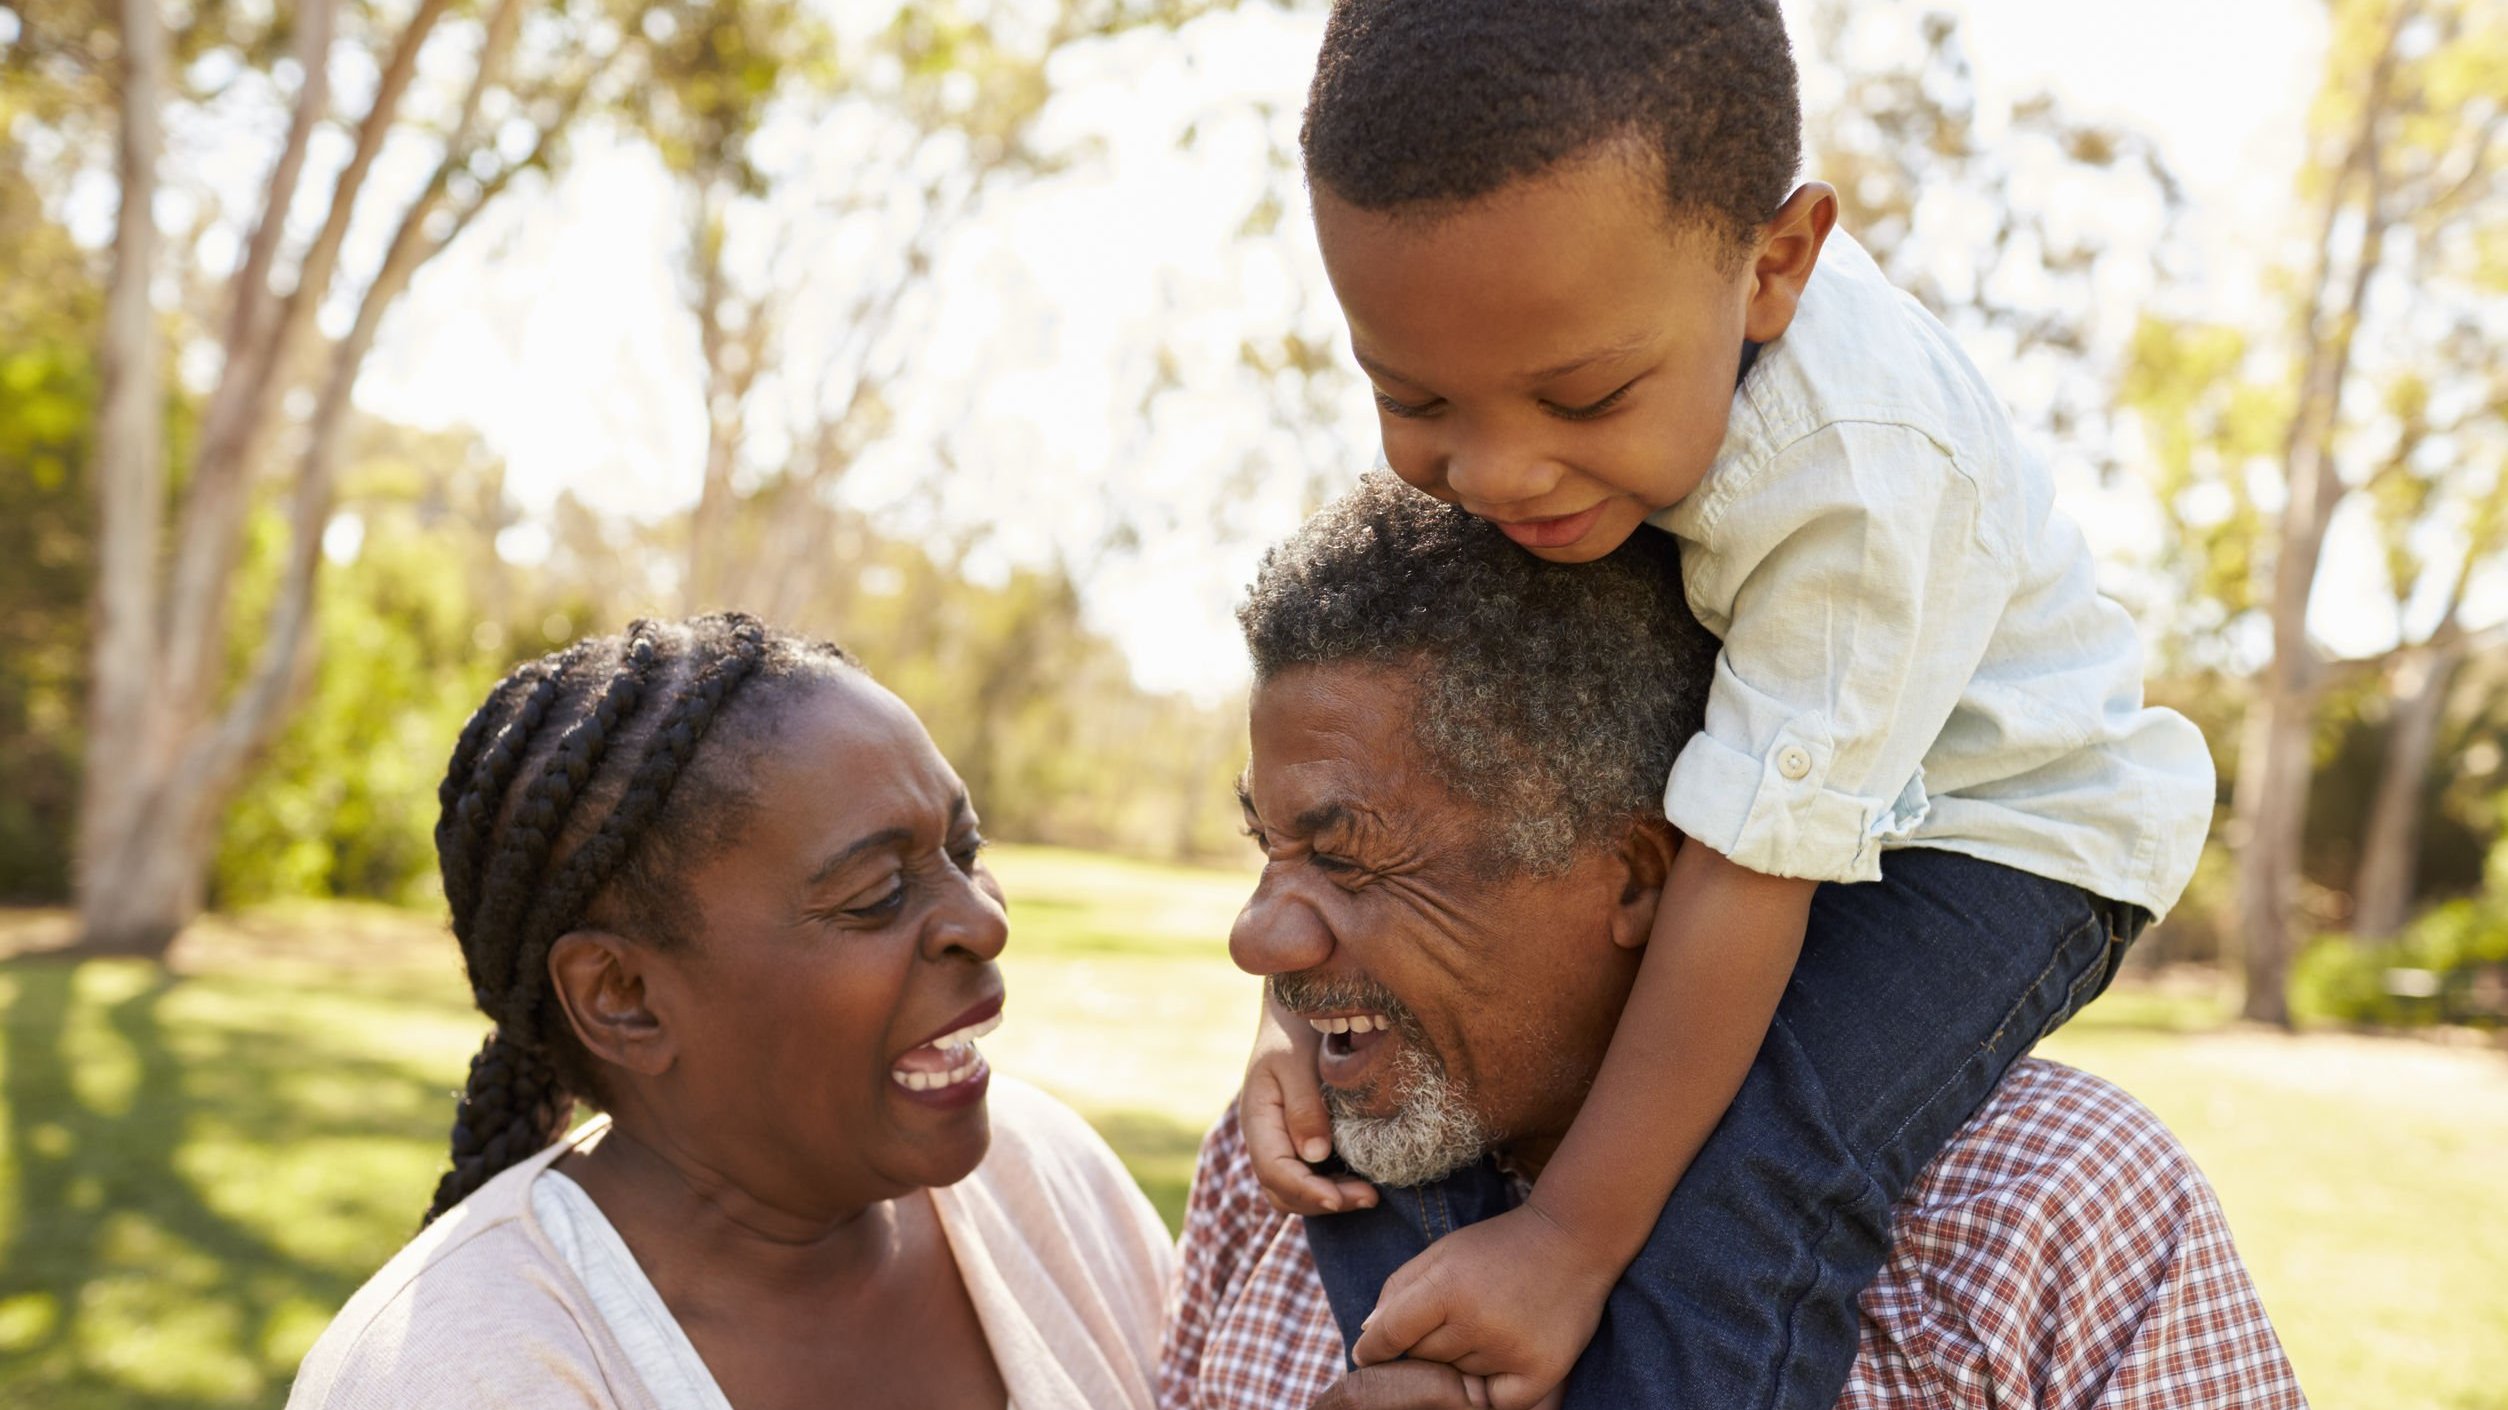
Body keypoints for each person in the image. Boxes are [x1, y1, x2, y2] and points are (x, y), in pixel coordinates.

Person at [1234, 5, 2220, 1406]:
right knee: (1422, 1113)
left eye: (1582, 395)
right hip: (1771, 799)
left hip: (1994, 831)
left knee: (1755, 1178)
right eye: (1415, 395)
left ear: (1776, 266)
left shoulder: (1855, 476)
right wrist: (1299, 1019)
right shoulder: (1582, 306)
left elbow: (1749, 876)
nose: (1501, 470)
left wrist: (1569, 1242)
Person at [1165, 475, 2301, 1410]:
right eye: (1267, 846)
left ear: (1644, 874)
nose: (1253, 941)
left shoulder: (2052, 1213)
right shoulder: (1276, 1167)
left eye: (1349, 856)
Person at [288, 615, 1173, 1410]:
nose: (984, 921)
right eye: (876, 893)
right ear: (622, 998)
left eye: (965, 849)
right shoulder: (457, 1376)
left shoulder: (1046, 1174)